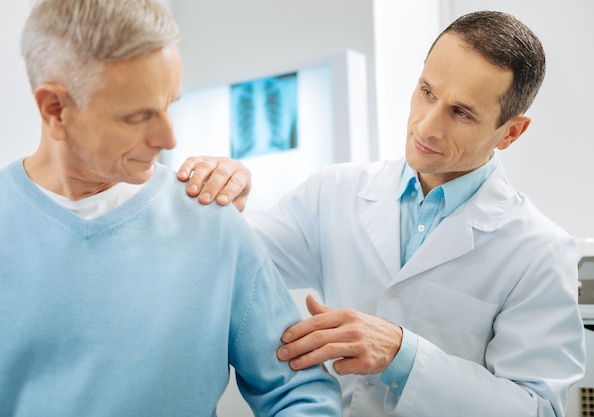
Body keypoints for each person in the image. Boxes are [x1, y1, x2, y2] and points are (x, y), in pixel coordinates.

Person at [177, 10, 586, 417]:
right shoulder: (334, 192)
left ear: (511, 132)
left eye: (461, 112)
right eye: (427, 92)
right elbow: (223, 262)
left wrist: (402, 354)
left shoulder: (539, 251)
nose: (426, 127)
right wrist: (223, 199)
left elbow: (539, 410)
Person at [0, 1, 343, 416]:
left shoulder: (210, 220)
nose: (168, 138)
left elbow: (299, 392)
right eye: (138, 116)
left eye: (169, 104)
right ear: (55, 109)